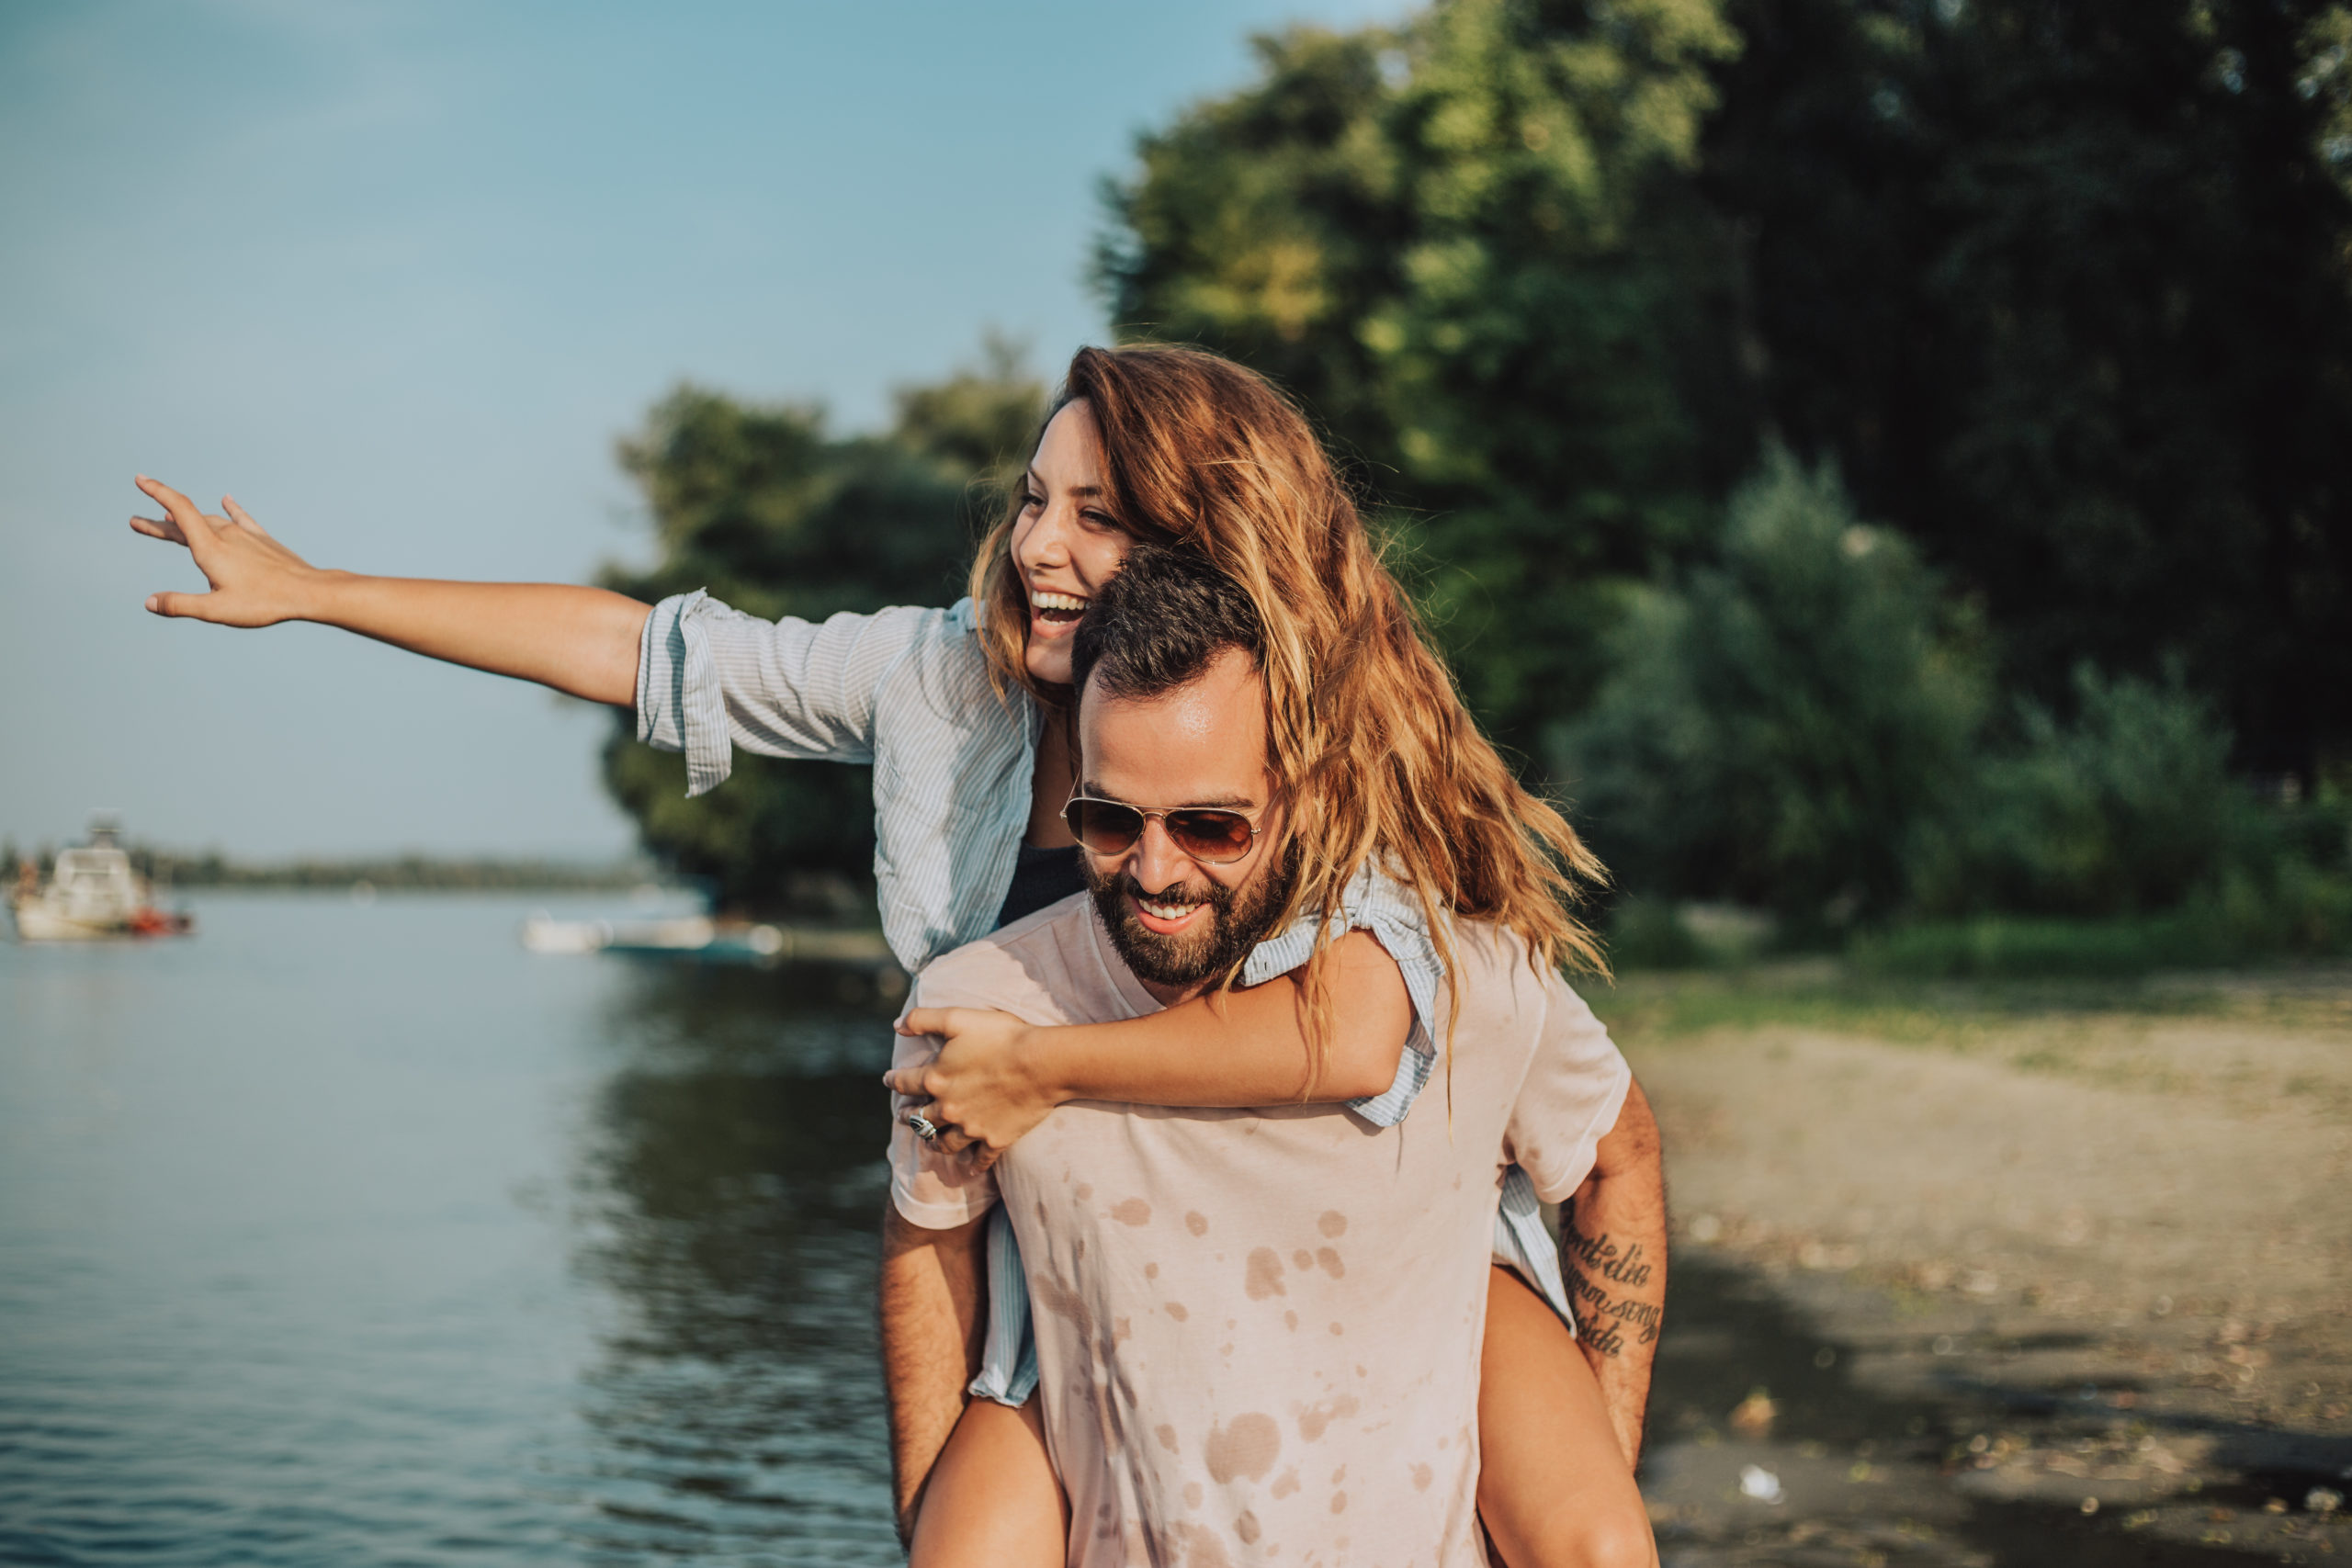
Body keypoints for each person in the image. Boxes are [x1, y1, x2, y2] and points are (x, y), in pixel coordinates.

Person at [130, 341, 1662, 1559]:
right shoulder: (942, 680)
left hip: (1360, 1264)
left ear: (1214, 548)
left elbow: (1365, 1025)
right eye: (1033, 499)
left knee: (1584, 1529)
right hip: (1072, 1268)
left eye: (1098, 512)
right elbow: (644, 651)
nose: (1039, 548)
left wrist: (1035, 1065)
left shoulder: (1305, 740)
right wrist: (319, 594)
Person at [884, 544, 1661, 1565]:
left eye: (1211, 826)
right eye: (1111, 821)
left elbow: (1618, 1153)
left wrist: (1594, 1464)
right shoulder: (982, 1008)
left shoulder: (1459, 979)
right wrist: (925, 1518)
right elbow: (929, 1247)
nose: (1155, 870)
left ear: (1298, 793)